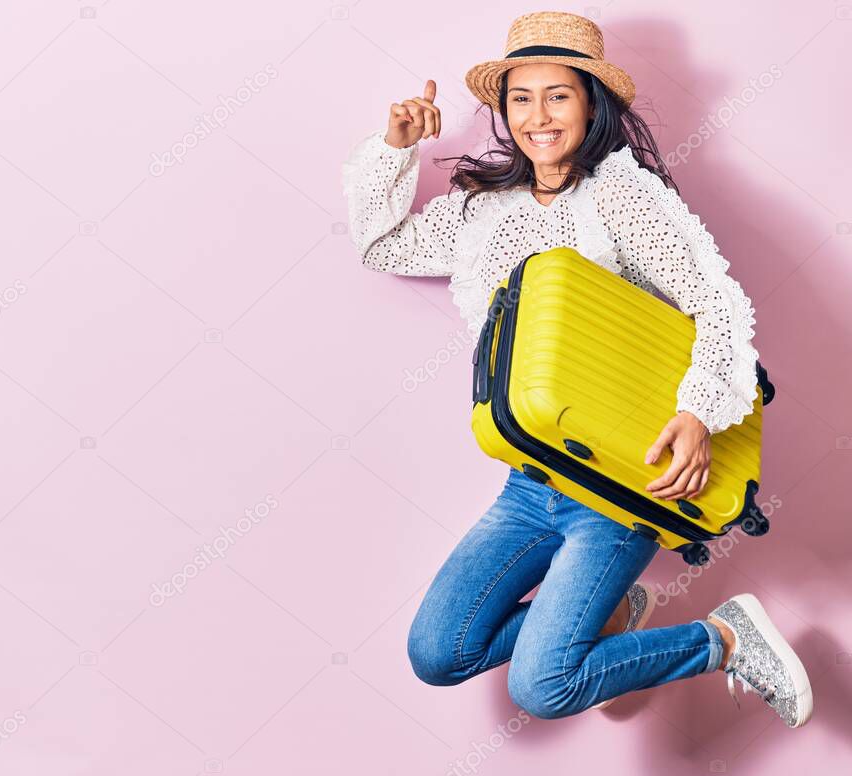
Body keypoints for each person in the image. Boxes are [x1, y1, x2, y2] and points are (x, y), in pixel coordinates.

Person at [340, 11, 812, 727]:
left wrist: (697, 412)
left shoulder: (622, 195)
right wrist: (394, 148)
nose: (539, 116)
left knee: (543, 685)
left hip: (621, 479)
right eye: (522, 98)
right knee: (439, 651)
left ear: (591, 102)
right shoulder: (480, 213)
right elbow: (380, 246)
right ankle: (618, 608)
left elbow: (718, 307)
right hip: (530, 478)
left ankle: (722, 638)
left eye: (558, 95)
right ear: (504, 110)